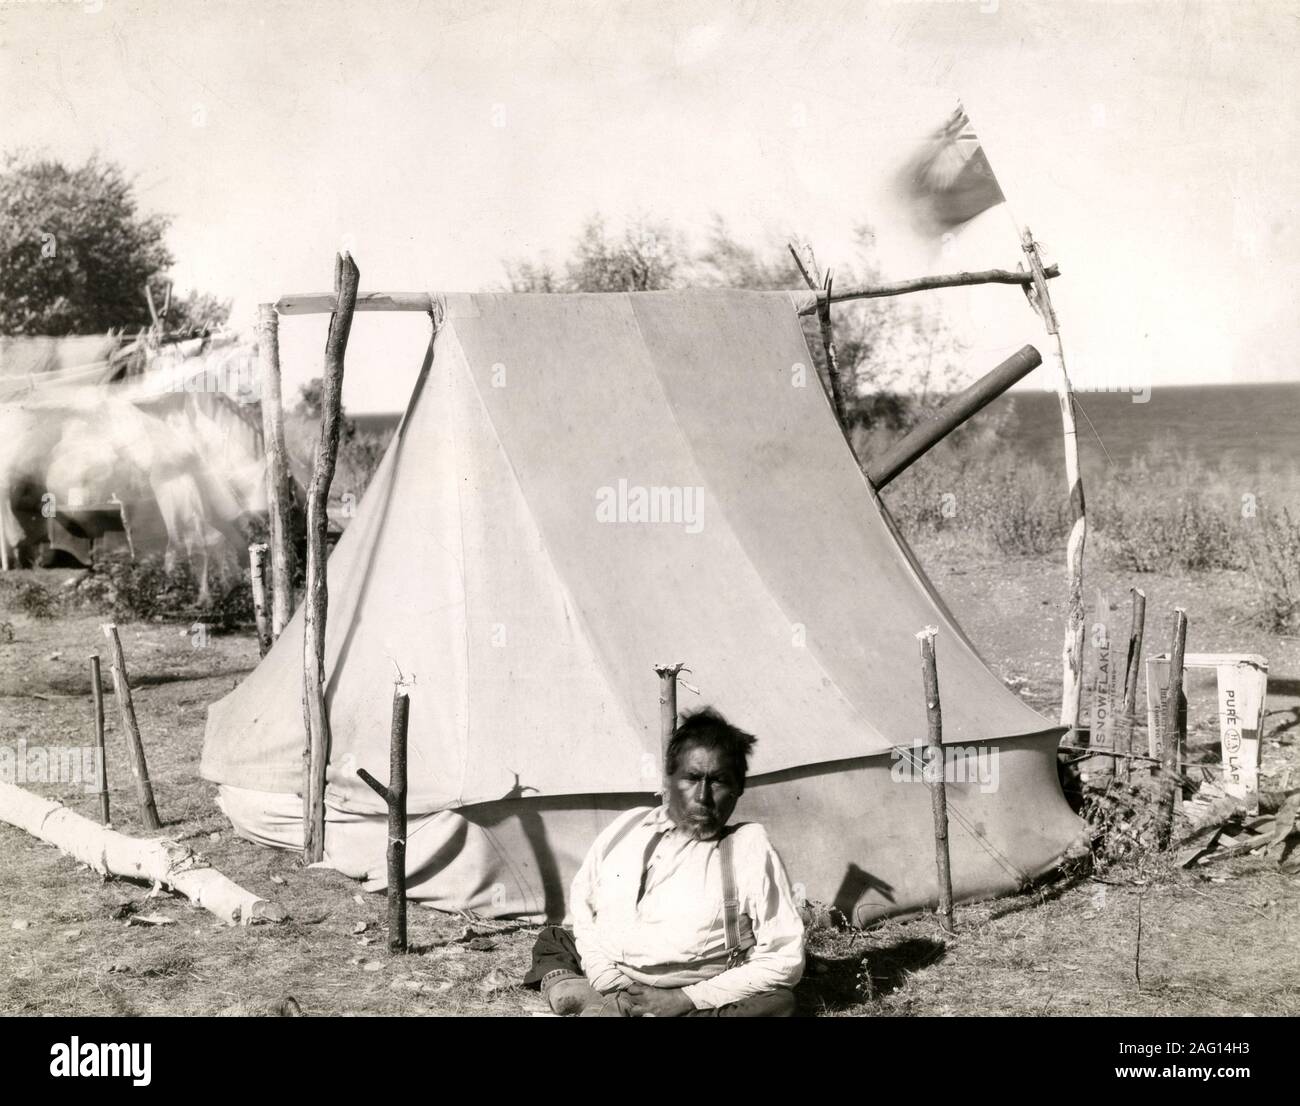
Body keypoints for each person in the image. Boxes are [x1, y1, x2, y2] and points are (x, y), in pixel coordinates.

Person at [524, 707, 805, 1017]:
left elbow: (783, 958)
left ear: (739, 788)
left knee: (779, 1003)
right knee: (554, 939)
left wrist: (686, 998)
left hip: (694, 986)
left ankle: (590, 998)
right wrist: (608, 978)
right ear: (670, 779)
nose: (702, 796)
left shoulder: (747, 846)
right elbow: (584, 905)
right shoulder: (629, 826)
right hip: (613, 973)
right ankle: (602, 998)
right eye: (692, 778)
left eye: (718, 782)